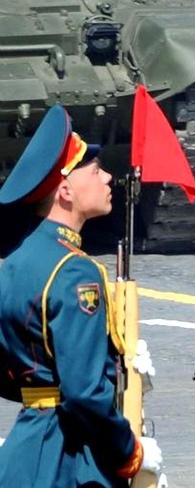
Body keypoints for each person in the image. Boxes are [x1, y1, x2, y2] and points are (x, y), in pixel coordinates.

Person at [0, 105, 158, 487]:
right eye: (95, 170)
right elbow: (84, 394)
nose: (107, 177)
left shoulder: (15, 263)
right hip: (70, 460)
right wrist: (129, 451)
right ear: (66, 190)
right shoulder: (76, 272)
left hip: (23, 453)